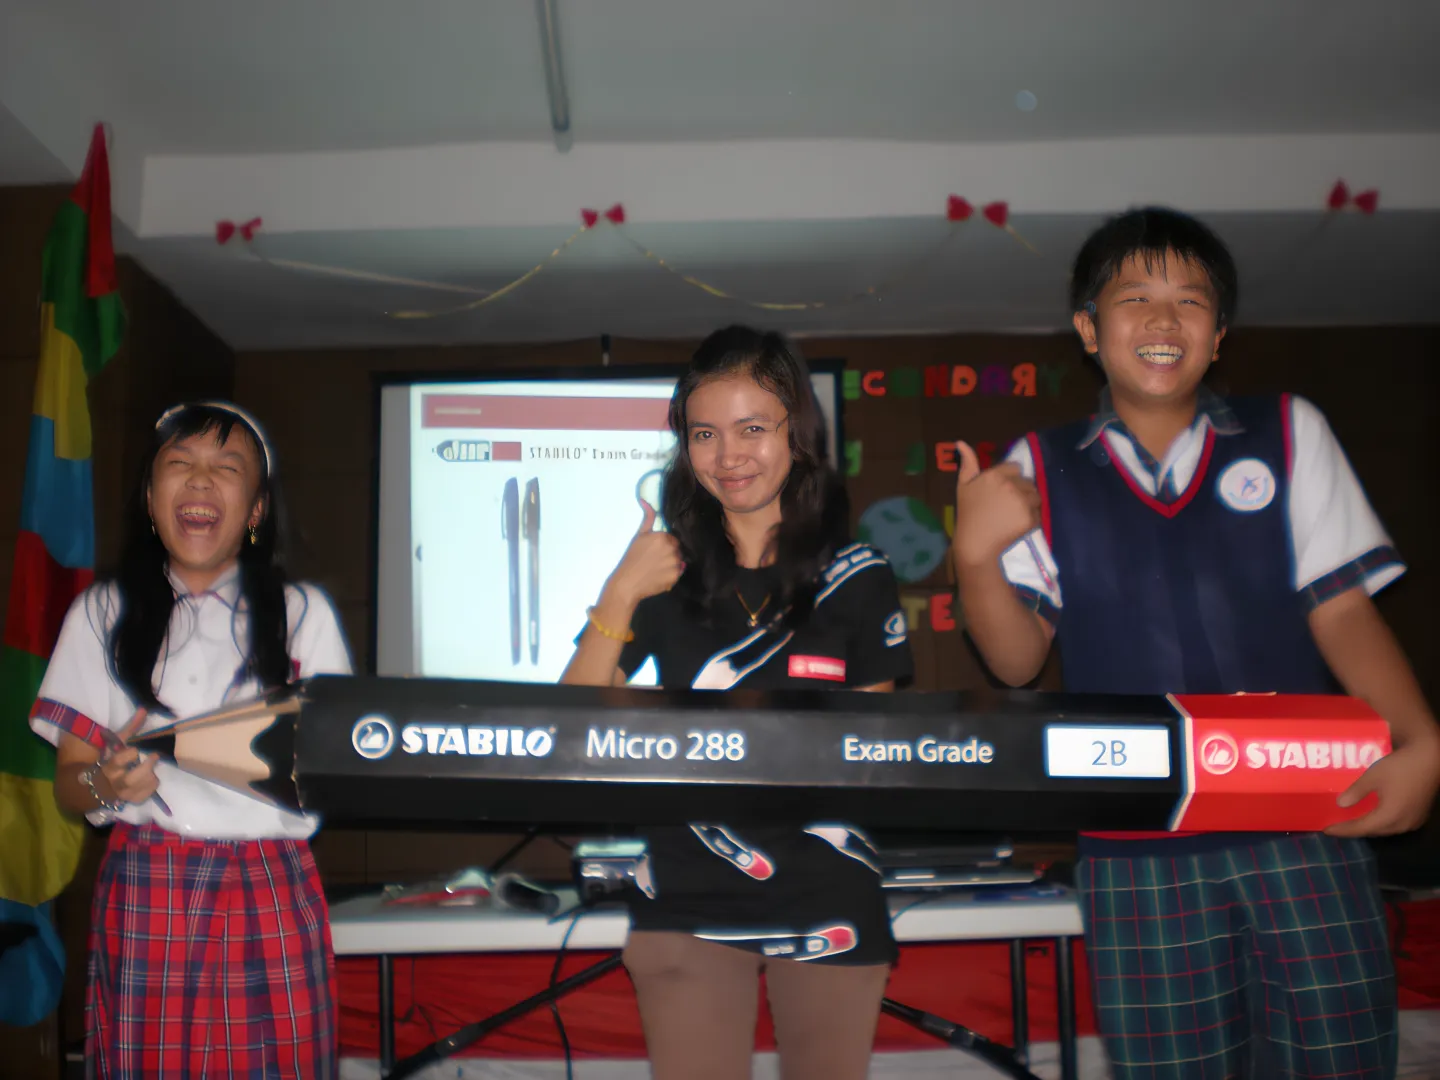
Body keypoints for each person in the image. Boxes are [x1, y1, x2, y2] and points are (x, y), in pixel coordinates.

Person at [950, 206, 1440, 1079]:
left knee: (1342, 1059)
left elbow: (1341, 609)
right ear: (1088, 330)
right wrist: (975, 557)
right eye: (1135, 297)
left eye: (1191, 299)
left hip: (1307, 817)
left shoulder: (1288, 429)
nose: (1164, 317)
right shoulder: (1036, 464)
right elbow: (1017, 662)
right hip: (1136, 841)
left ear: (1218, 336)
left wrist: (1422, 740)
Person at [562, 326, 913, 1080]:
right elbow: (570, 725)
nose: (728, 456)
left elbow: (872, 755)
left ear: (798, 432)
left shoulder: (858, 576)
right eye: (705, 434)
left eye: (752, 428)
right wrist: (620, 592)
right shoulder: (662, 577)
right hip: (684, 898)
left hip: (829, 893)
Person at [29, 402, 353, 1079]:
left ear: (256, 508)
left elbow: (341, 766)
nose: (201, 479)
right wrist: (105, 785)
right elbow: (70, 782)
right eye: (180, 463)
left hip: (271, 878)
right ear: (151, 500)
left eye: (227, 468)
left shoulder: (304, 614)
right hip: (149, 880)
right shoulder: (101, 613)